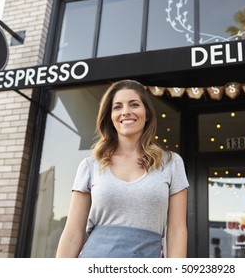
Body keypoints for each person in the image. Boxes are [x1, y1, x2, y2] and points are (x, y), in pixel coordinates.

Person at [56, 79, 189, 258]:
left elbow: (177, 230)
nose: (126, 112)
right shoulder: (90, 166)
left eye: (134, 105)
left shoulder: (172, 164)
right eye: (117, 107)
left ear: (147, 113)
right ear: (110, 116)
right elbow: (72, 234)